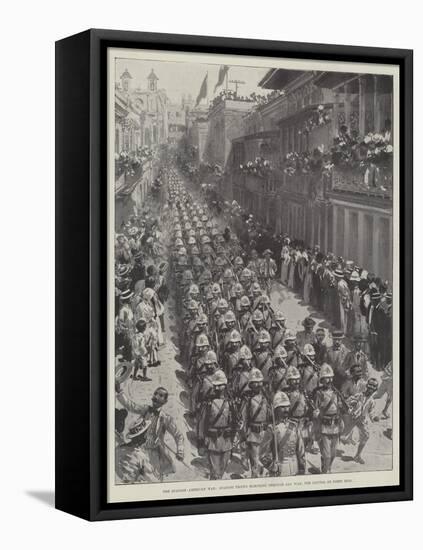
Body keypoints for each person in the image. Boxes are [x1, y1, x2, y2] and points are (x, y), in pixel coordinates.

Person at [115, 384, 185, 481]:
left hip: (153, 454)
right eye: (155, 394)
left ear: (165, 401)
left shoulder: (166, 418)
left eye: (160, 395)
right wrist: (120, 392)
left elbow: (178, 435)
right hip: (139, 449)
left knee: (153, 479)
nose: (156, 397)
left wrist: (180, 451)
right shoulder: (145, 409)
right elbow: (131, 406)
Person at [198, 370, 236, 480]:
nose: (218, 388)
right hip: (213, 441)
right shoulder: (208, 403)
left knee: (223, 468)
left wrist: (235, 436)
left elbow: (234, 421)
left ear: (225, 385)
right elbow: (202, 422)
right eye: (216, 386)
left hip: (227, 440)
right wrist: (201, 439)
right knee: (215, 472)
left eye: (221, 385)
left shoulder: (230, 403)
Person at [260, 391, 306, 477]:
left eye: (287, 406)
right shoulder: (271, 428)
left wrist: (302, 468)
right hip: (279, 470)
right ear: (276, 409)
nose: (286, 409)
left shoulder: (294, 426)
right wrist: (271, 465)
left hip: (295, 468)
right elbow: (262, 455)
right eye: (282, 407)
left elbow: (301, 450)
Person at [313, 363, 345, 474]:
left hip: (335, 425)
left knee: (333, 454)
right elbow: (315, 407)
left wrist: (341, 409)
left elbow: (340, 408)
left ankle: (328, 467)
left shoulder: (336, 393)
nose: (329, 380)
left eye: (330, 378)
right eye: (326, 378)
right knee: (327, 455)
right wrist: (316, 413)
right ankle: (325, 472)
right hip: (324, 425)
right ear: (322, 380)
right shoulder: (318, 393)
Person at [240, 368, 272, 477]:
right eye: (255, 383)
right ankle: (255, 478)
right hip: (253, 432)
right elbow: (243, 418)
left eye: (260, 382)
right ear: (251, 384)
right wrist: (244, 435)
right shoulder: (247, 399)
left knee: (264, 458)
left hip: (265, 432)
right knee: (255, 459)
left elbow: (269, 414)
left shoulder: (265, 397)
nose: (258, 385)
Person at [342, 378, 380, 464]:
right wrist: (351, 404)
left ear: (375, 389)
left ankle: (357, 455)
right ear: (367, 386)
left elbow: (371, 412)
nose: (371, 388)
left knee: (366, 435)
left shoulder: (372, 401)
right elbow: (347, 402)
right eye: (370, 385)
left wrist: (374, 417)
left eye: (373, 387)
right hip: (353, 418)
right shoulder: (359, 395)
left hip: (362, 420)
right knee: (343, 435)